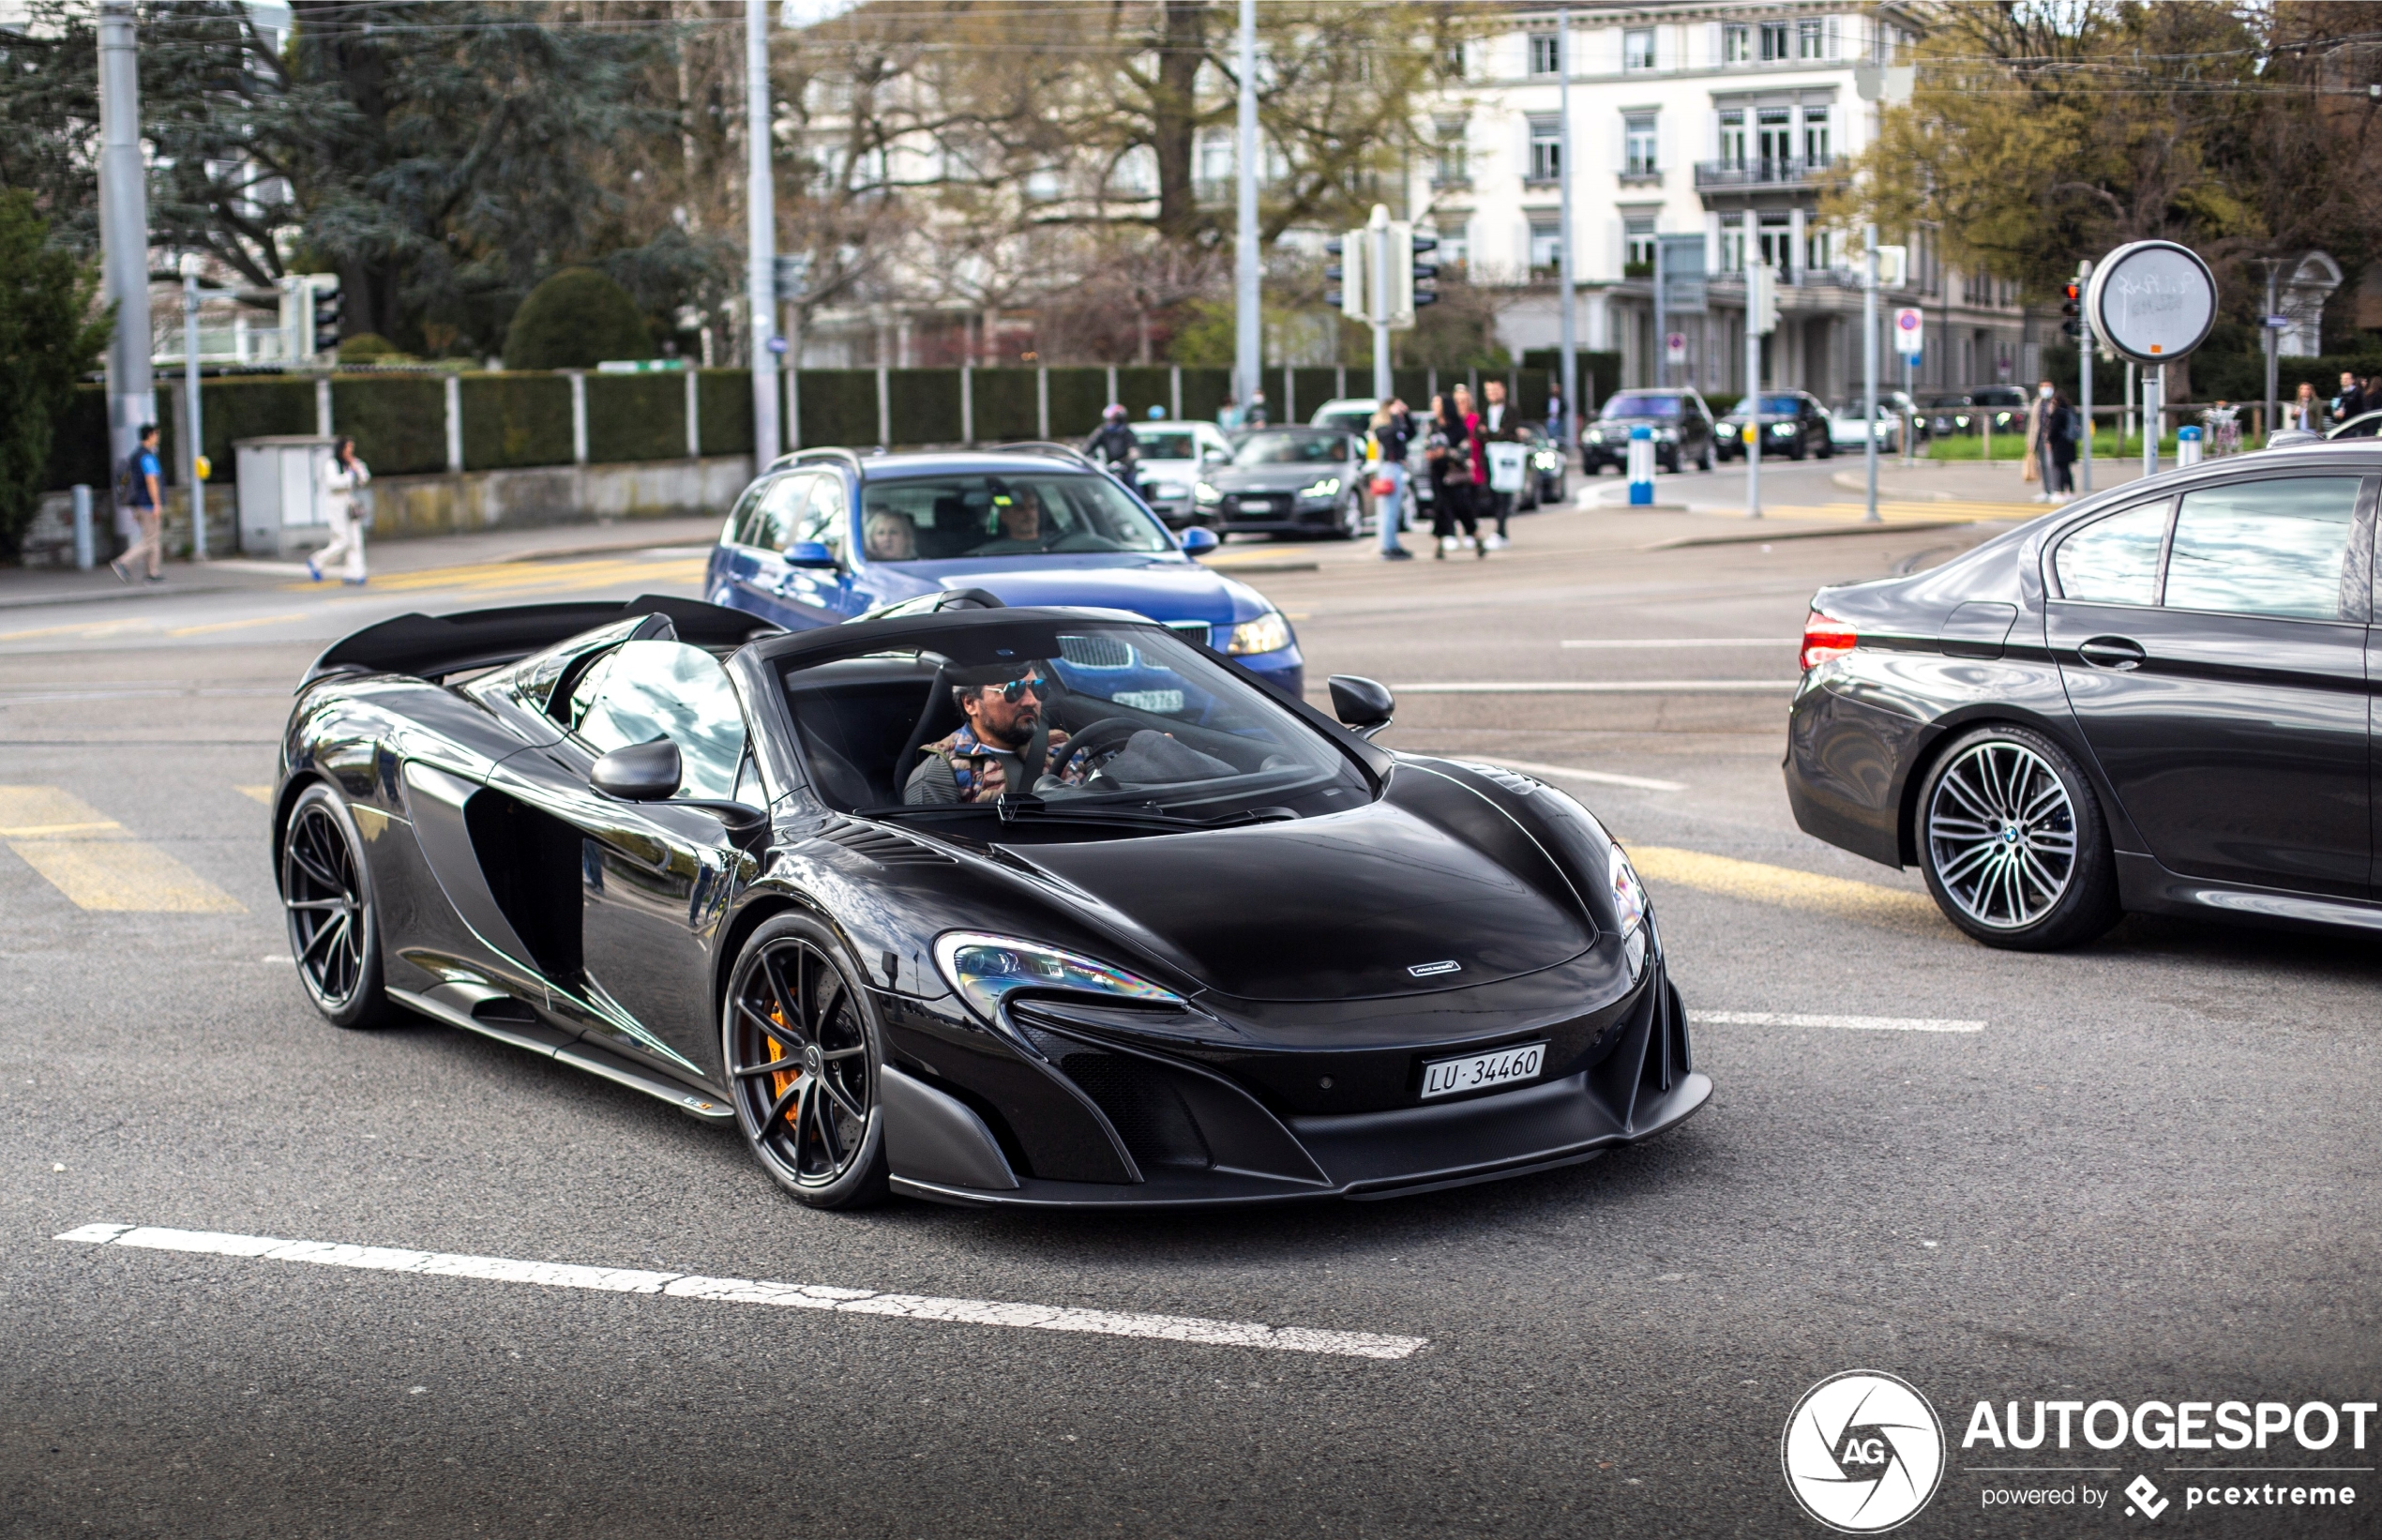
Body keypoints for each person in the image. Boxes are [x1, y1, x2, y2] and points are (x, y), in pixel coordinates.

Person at [904, 664, 1092, 804]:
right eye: (1012, 690)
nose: (1031, 701)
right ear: (970, 703)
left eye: (1037, 687)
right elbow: (935, 852)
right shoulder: (939, 775)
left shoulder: (1067, 745)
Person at [309, 436, 371, 584]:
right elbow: (333, 483)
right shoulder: (332, 464)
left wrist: (356, 468)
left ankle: (355, 572)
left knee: (355, 539)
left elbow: (364, 478)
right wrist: (350, 476)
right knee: (343, 540)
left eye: (351, 448)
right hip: (336, 503)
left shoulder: (353, 463)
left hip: (349, 502)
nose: (350, 451)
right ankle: (318, 561)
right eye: (347, 448)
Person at [1425, 391, 1481, 559]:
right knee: (1440, 507)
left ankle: (1476, 538)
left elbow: (1465, 451)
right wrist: (1431, 454)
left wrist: (1446, 453)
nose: (1434, 407)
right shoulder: (1433, 425)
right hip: (1437, 473)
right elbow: (1427, 445)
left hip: (1454, 474)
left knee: (1461, 508)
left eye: (1438, 404)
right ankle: (1439, 544)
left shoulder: (1458, 427)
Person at [111, 423, 165, 583]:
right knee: (149, 540)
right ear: (151, 435)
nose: (158, 438)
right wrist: (157, 503)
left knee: (153, 539)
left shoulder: (135, 456)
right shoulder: (147, 457)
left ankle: (152, 573)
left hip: (138, 504)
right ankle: (123, 563)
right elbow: (151, 481)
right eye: (156, 434)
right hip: (148, 504)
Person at [1366, 400, 1413, 561]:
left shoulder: (1397, 425)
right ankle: (1387, 547)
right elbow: (1389, 438)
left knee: (1395, 510)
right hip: (1389, 469)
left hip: (1397, 467)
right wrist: (1393, 416)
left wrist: (1406, 415)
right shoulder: (1382, 428)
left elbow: (1411, 434)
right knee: (1389, 511)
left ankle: (1393, 544)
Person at [1477, 378, 1519, 549]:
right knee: (1493, 492)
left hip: (1505, 457)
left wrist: (1490, 433)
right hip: (1489, 456)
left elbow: (1508, 431)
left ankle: (1500, 530)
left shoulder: (1511, 410)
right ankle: (1500, 531)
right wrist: (1493, 433)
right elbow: (1478, 432)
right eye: (1489, 391)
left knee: (1504, 494)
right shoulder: (1485, 410)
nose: (1492, 395)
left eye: (1495, 390)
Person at [973, 483, 1052, 554]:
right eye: (1020, 509)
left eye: (1032, 507)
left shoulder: (1058, 542)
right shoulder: (991, 553)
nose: (1029, 514)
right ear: (1004, 516)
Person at [1084, 404, 1139, 478]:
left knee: (1131, 483)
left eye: (1116, 420)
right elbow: (1088, 446)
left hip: (1126, 469)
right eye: (1110, 420)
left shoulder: (1127, 433)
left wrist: (1126, 463)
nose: (1112, 423)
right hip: (1107, 467)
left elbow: (1134, 451)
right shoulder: (1102, 431)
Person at [2044, 389, 2078, 501]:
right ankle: (2071, 491)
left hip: (2060, 444)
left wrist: (2049, 440)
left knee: (2061, 468)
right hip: (2069, 443)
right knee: (2067, 468)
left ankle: (2061, 491)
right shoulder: (2070, 409)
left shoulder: (2058, 412)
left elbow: (2053, 429)